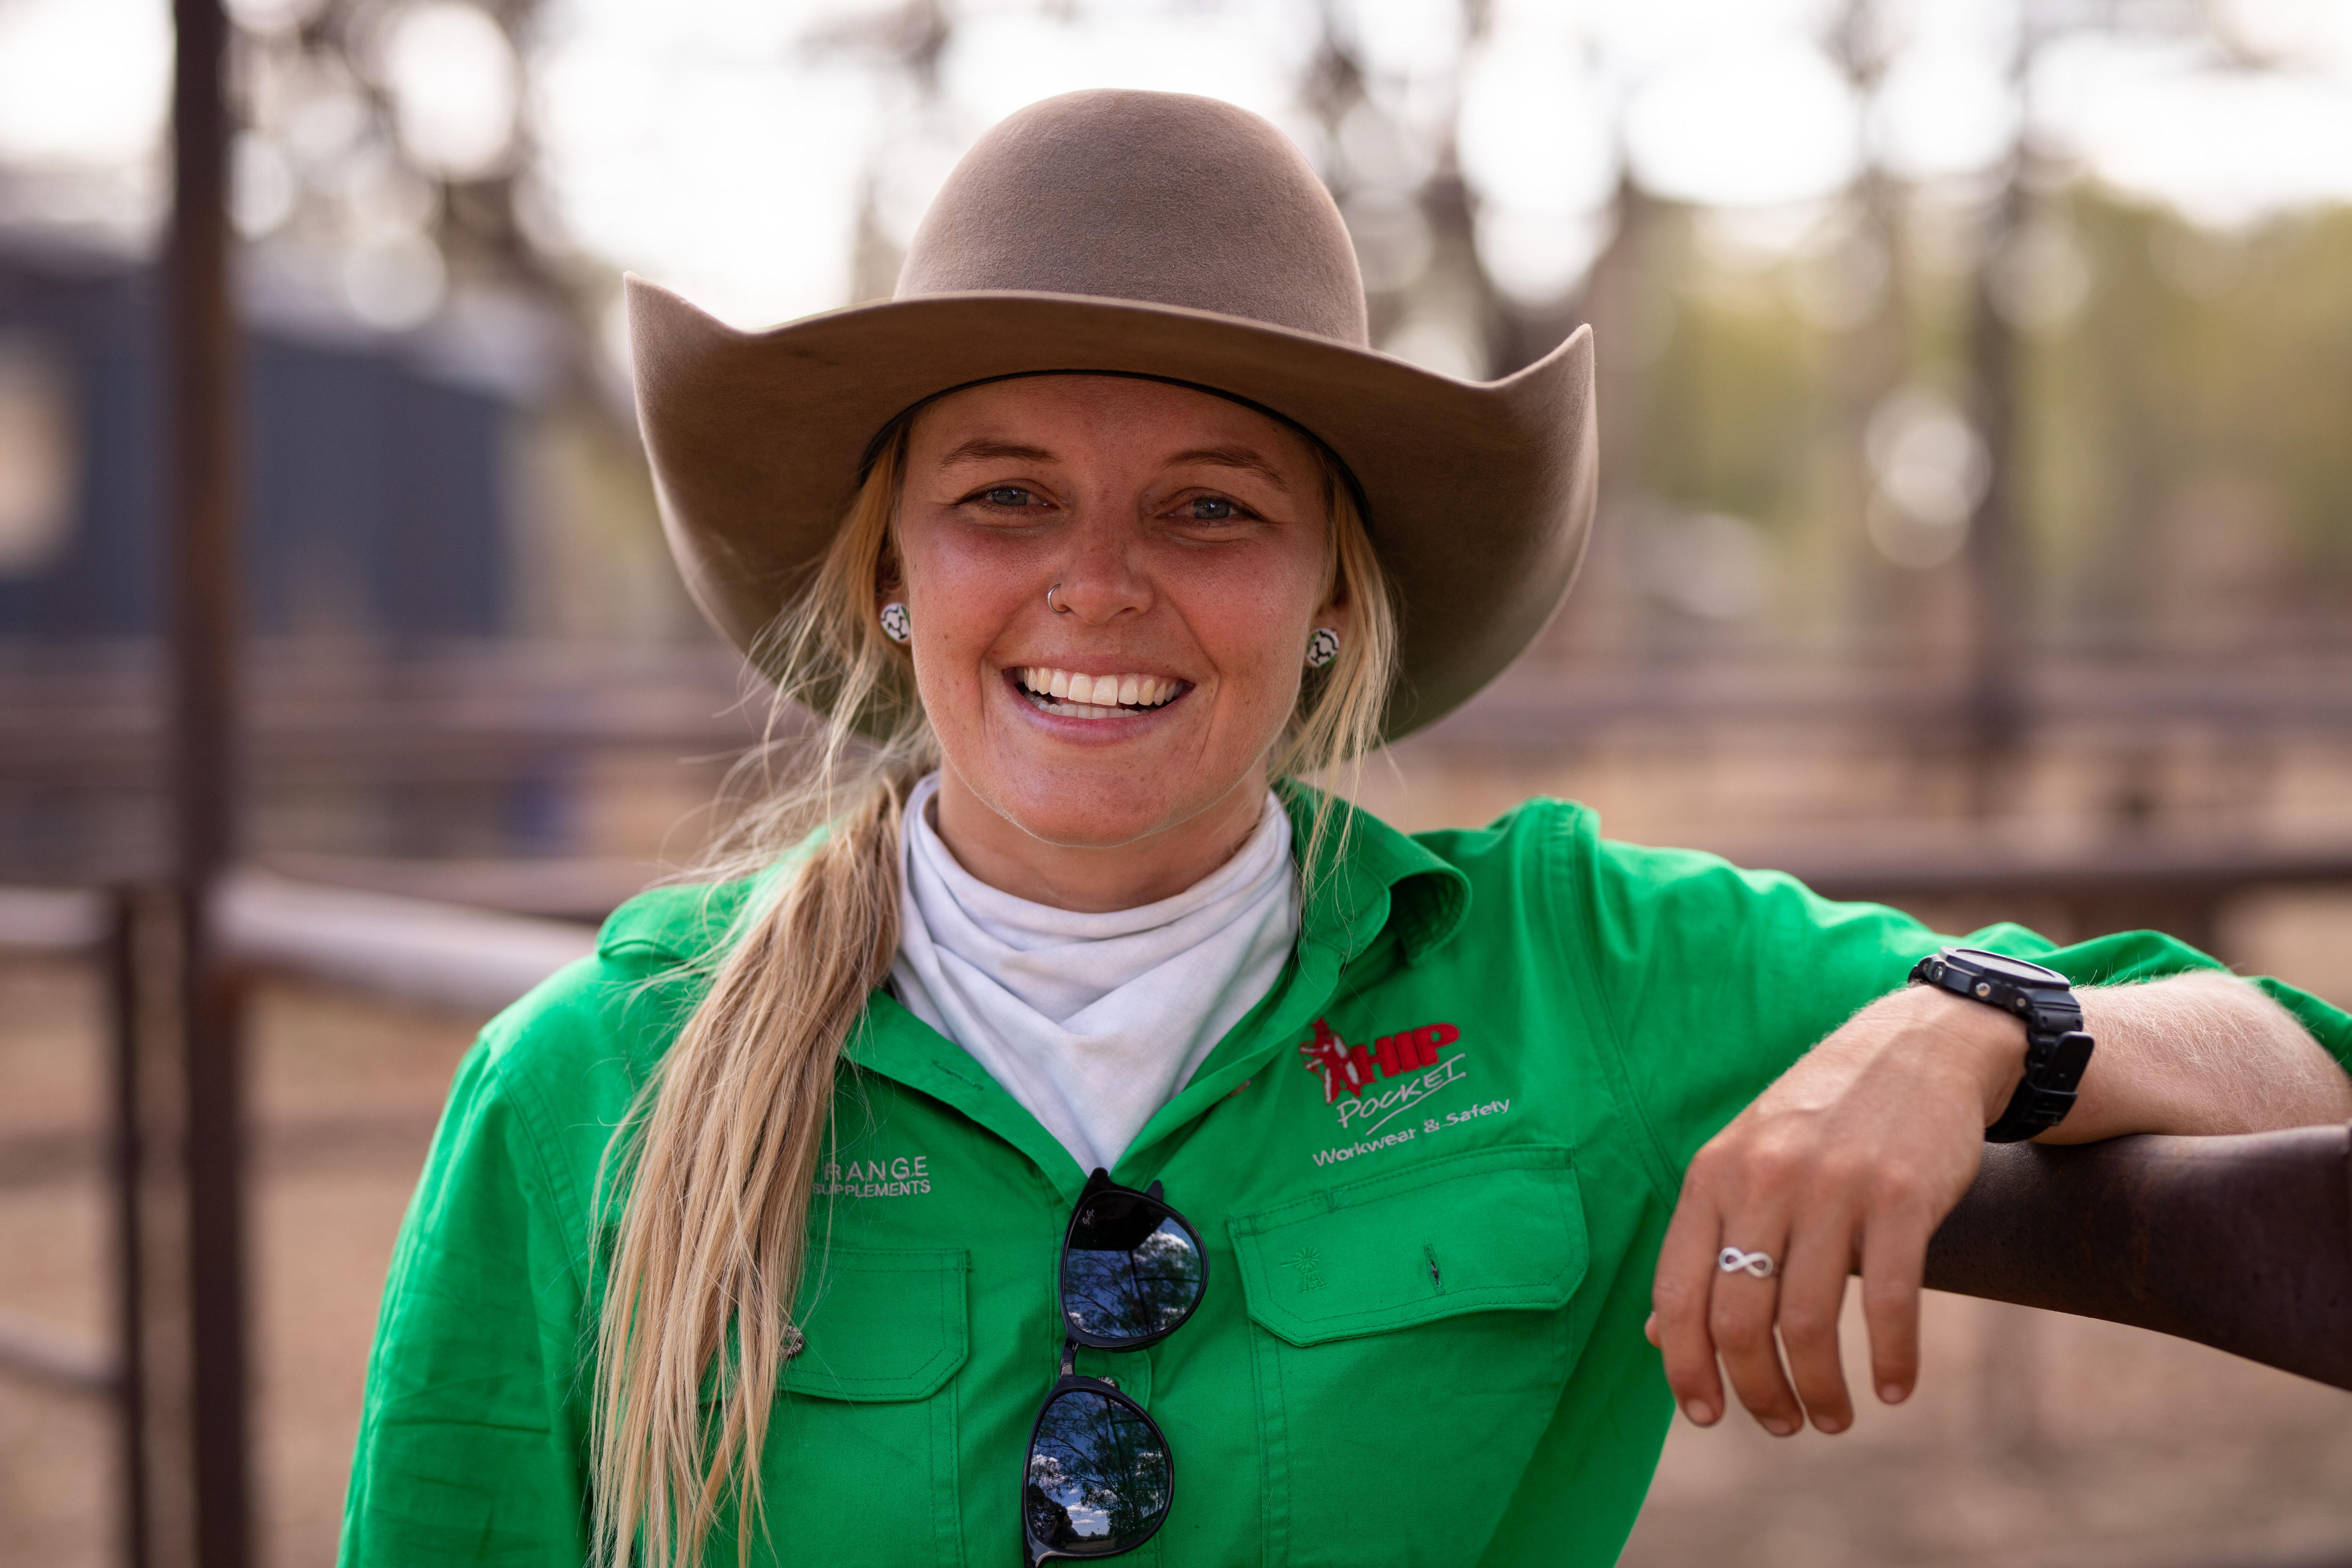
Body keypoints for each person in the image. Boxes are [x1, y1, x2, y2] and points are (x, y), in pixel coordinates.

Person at [338, 91, 2352, 1568]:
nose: (1096, 585)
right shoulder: (593, 1086)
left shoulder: (1571, 972)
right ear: (889, 573)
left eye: (1210, 508)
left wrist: (1965, 1033)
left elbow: (2289, 1057)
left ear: (1328, 594)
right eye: (1004, 497)